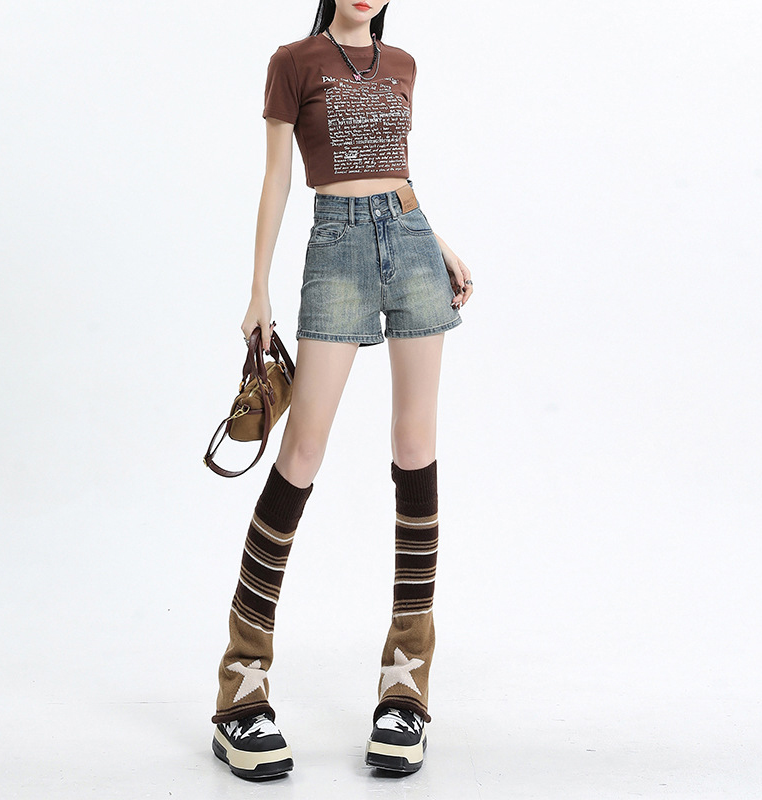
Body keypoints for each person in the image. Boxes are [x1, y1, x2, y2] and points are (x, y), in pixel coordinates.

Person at [210, 0, 474, 781]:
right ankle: (241, 687)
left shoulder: (404, 65)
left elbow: (396, 175)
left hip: (413, 245)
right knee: (301, 452)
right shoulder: (293, 61)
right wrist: (258, 289)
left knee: (416, 445)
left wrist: (438, 242)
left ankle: (405, 687)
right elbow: (276, 178)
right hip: (336, 246)